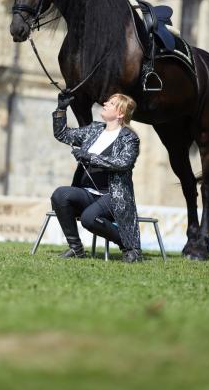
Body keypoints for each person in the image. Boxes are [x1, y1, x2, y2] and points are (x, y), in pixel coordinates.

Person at [51, 91, 142, 263]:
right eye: (107, 101)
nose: (106, 103)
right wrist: (61, 109)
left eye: (112, 103)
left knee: (88, 219)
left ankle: (129, 246)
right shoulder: (93, 129)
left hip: (113, 197)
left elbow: (123, 163)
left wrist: (90, 157)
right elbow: (62, 134)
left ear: (121, 113)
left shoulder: (130, 138)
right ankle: (76, 249)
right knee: (60, 194)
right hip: (88, 193)